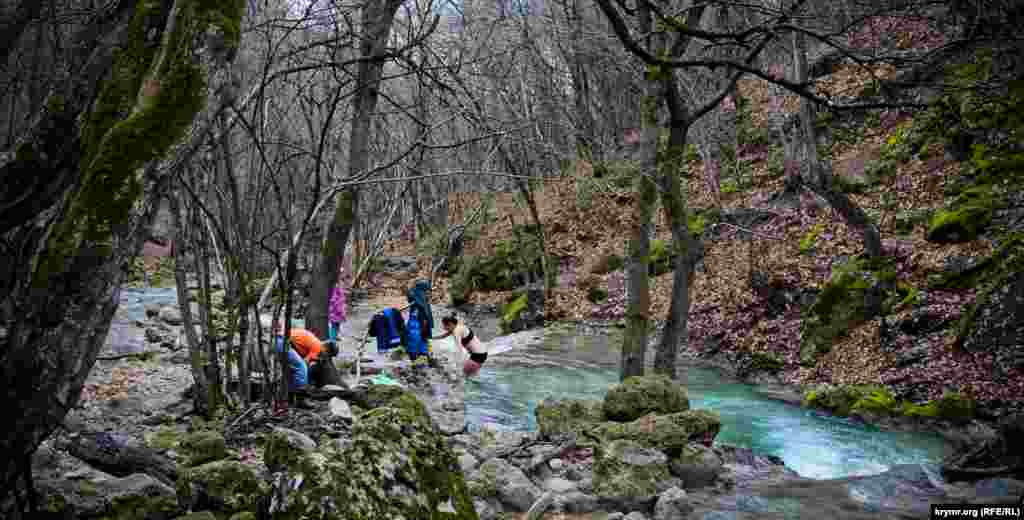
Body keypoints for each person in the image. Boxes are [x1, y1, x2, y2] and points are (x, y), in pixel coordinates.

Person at [404, 280, 434, 363]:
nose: (429, 294)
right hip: (417, 325)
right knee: (416, 337)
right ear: (423, 291)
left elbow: (410, 294)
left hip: (420, 327)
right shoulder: (419, 300)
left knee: (421, 338)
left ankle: (421, 355)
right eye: (427, 292)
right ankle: (418, 356)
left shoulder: (421, 300)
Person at [328, 262, 349, 342]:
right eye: (340, 273)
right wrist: (339, 309)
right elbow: (334, 300)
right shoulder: (335, 286)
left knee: (337, 324)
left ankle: (335, 336)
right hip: (336, 310)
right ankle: (332, 340)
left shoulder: (339, 284)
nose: (342, 275)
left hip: (339, 309)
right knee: (334, 325)